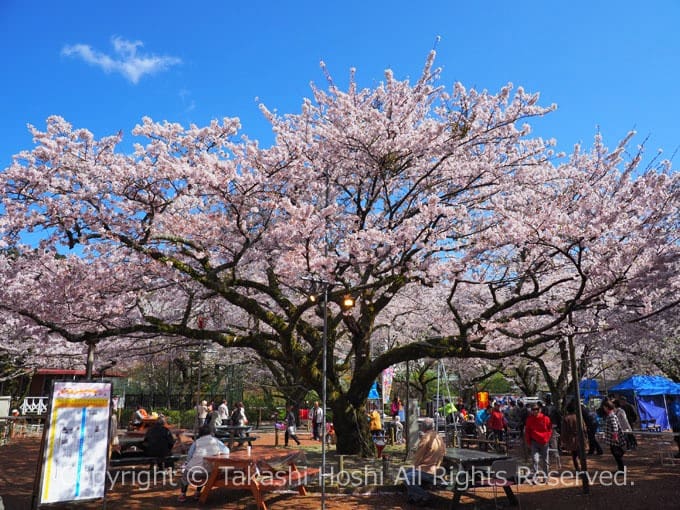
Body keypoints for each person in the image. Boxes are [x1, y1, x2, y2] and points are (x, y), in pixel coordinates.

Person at [178, 424, 230, 502]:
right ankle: (198, 492)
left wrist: (187, 463)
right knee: (204, 470)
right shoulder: (215, 441)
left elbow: (189, 456)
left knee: (186, 475)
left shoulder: (196, 442)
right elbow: (227, 451)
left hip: (193, 472)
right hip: (209, 473)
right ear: (210, 432)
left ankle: (183, 494)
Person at [402, 417, 446, 506]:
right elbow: (444, 452)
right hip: (436, 467)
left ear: (423, 427)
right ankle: (414, 497)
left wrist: (415, 466)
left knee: (406, 477)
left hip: (427, 469)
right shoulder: (438, 437)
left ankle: (424, 495)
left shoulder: (426, 437)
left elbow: (419, 456)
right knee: (406, 472)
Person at [525, 403, 552, 477]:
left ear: (539, 410)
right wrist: (528, 442)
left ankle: (545, 476)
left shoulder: (546, 418)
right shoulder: (529, 419)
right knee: (535, 459)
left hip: (544, 442)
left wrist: (547, 438)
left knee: (545, 460)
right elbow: (527, 431)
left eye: (536, 409)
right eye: (533, 409)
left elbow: (550, 429)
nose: (535, 411)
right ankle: (535, 476)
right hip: (534, 442)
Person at [561, 401, 587, 470]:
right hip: (580, 437)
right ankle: (583, 468)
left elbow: (564, 431)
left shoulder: (566, 418)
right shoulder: (579, 417)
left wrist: (564, 441)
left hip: (571, 439)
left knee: (574, 455)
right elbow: (584, 428)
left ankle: (577, 469)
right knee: (581, 454)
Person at [602, 399, 626, 473]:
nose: (603, 409)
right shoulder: (611, 415)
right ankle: (620, 469)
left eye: (604, 407)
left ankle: (621, 470)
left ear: (607, 407)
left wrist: (615, 437)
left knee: (617, 454)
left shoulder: (611, 416)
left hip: (615, 440)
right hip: (613, 440)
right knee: (616, 454)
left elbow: (614, 426)